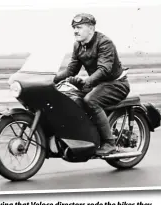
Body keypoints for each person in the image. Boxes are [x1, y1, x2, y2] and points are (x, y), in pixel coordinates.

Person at [53, 13, 130, 156]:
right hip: (98, 85)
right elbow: (71, 70)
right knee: (70, 96)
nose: (75, 31)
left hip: (116, 84)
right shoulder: (78, 45)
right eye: (74, 28)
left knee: (91, 100)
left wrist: (87, 82)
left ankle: (109, 143)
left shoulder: (104, 42)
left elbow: (104, 69)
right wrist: (52, 79)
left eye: (79, 27)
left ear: (91, 28)